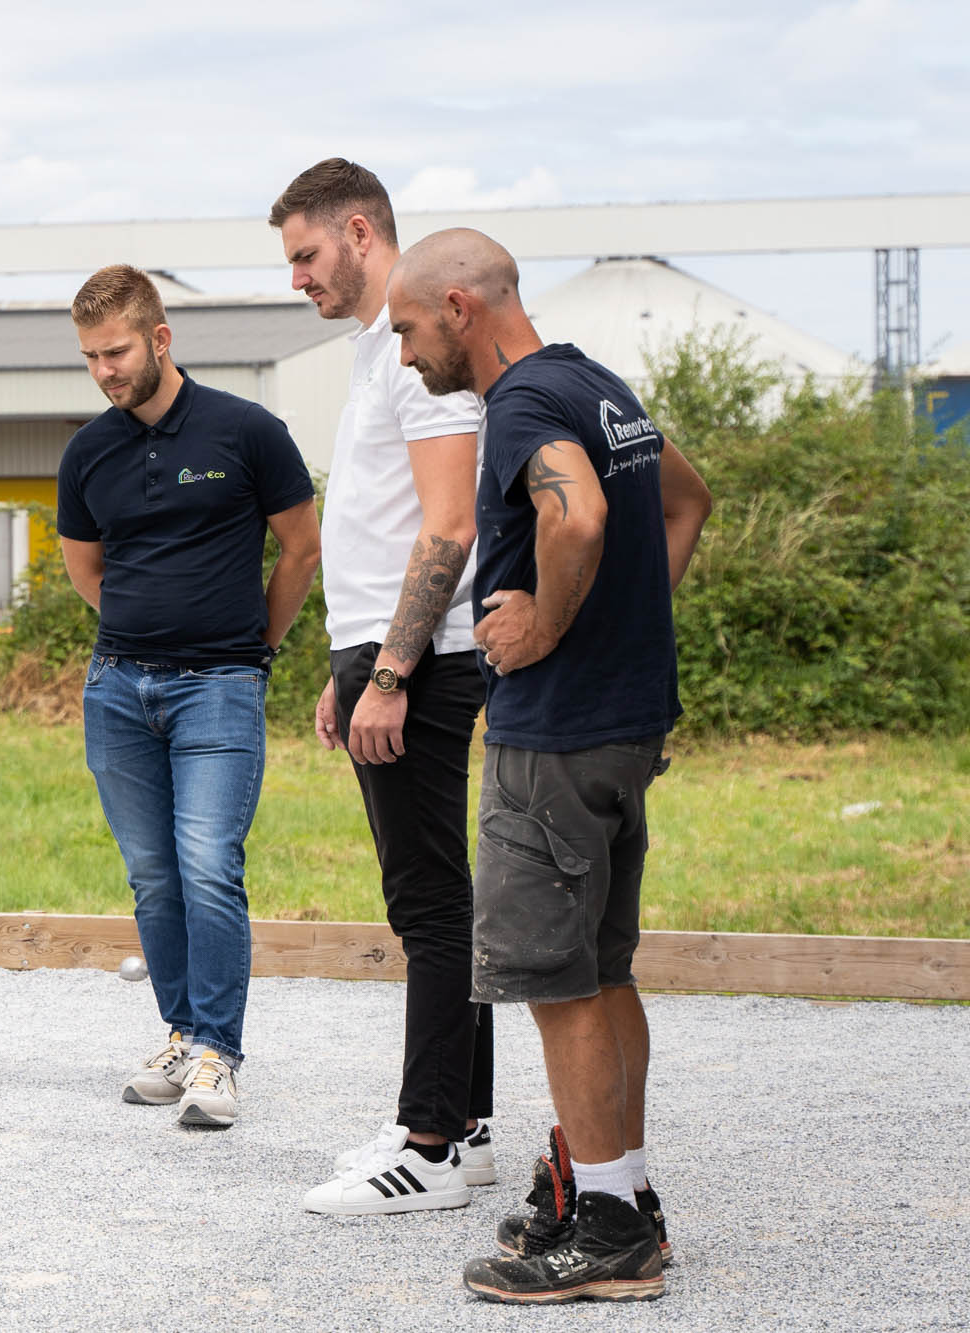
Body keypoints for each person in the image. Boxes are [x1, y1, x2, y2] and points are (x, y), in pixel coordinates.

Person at [386, 228, 712, 1304]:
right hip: (623, 728)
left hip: (555, 737)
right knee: (603, 971)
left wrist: (550, 627)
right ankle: (621, 1192)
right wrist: (622, 630)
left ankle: (610, 1230)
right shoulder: (596, 383)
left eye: (406, 328)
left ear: (458, 308)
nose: (402, 354)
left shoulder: (522, 404)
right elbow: (685, 500)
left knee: (554, 982)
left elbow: (576, 516)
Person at [267, 158, 495, 1216]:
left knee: (428, 904)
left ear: (358, 232)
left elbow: (448, 522)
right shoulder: (374, 353)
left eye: (306, 255)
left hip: (424, 657)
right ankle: (472, 1127)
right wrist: (342, 663)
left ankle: (429, 1143)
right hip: (379, 652)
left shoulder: (413, 355)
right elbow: (373, 528)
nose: (298, 278)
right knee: (441, 900)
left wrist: (392, 669)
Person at [57, 264, 321, 1129]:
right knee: (153, 875)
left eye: (118, 351)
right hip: (118, 689)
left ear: (161, 339)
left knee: (210, 866)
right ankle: (179, 1030)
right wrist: (144, 632)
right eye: (91, 355)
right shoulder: (87, 451)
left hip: (220, 688)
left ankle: (219, 1052)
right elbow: (86, 568)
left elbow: (302, 548)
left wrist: (255, 648)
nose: (105, 369)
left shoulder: (247, 432)